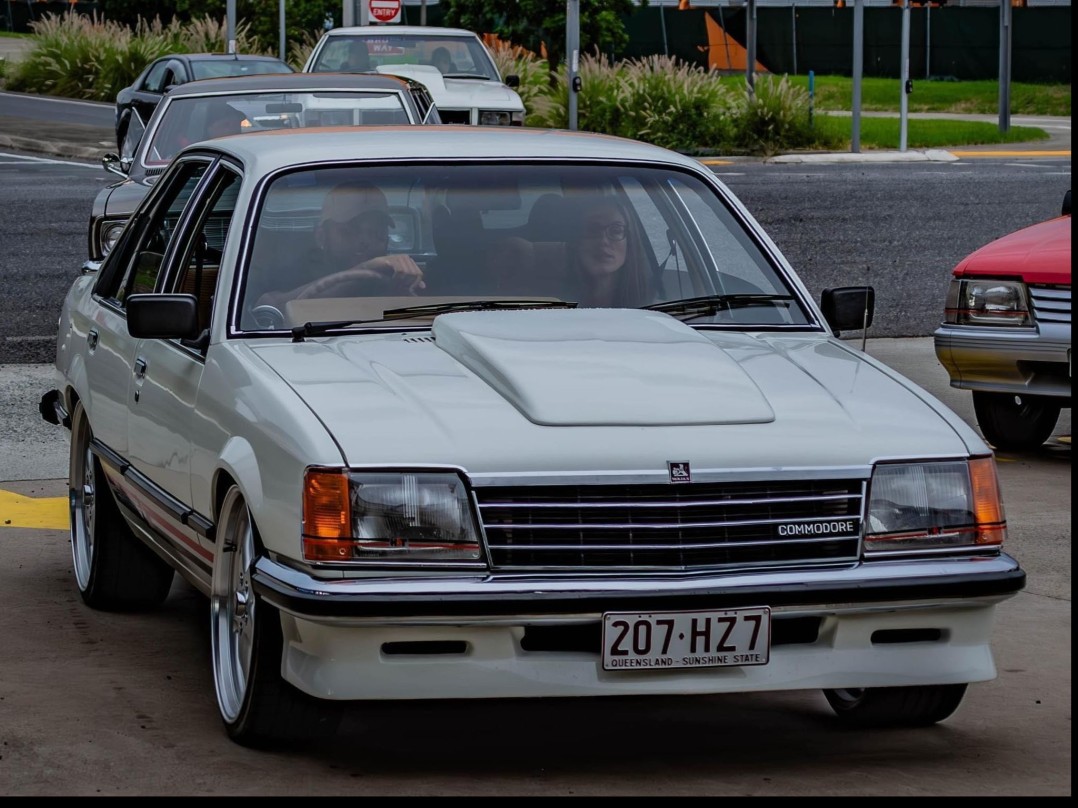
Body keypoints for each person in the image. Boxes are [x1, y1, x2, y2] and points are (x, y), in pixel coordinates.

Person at [254, 181, 425, 309]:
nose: (364, 241)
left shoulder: (402, 277)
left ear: (387, 240)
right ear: (321, 237)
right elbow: (269, 307)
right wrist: (364, 269)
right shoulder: (293, 274)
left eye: (376, 233)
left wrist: (399, 296)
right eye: (349, 231)